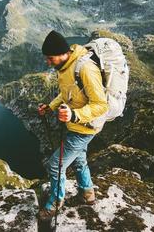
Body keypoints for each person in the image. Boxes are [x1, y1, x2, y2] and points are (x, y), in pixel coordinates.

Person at [38, 30, 108, 220]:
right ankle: (87, 195)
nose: (48, 62)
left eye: (50, 58)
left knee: (55, 165)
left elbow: (101, 105)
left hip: (85, 128)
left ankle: (55, 203)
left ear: (62, 53)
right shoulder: (66, 67)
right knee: (79, 161)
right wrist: (51, 107)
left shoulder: (85, 69)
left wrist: (74, 114)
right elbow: (67, 93)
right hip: (76, 125)